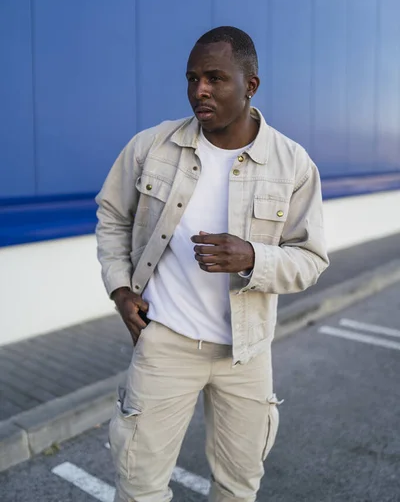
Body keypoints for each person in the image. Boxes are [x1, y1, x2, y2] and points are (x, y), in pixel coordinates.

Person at [95, 26, 329, 502]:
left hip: (245, 353)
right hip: (164, 344)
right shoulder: (151, 147)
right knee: (139, 486)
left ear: (251, 85)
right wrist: (120, 289)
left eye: (215, 78)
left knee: (238, 488)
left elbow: (311, 260)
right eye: (192, 78)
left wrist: (253, 257)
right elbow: (112, 216)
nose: (199, 90)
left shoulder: (292, 164)